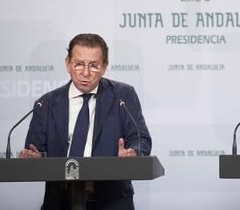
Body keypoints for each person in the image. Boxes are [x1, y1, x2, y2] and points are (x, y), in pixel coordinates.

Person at [19, 33, 152, 210]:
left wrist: (133, 153)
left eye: (94, 66)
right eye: (79, 64)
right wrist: (34, 157)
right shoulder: (46, 103)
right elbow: (35, 150)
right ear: (67, 64)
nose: (86, 73)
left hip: (112, 201)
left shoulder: (123, 96)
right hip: (60, 201)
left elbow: (141, 139)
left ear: (104, 66)